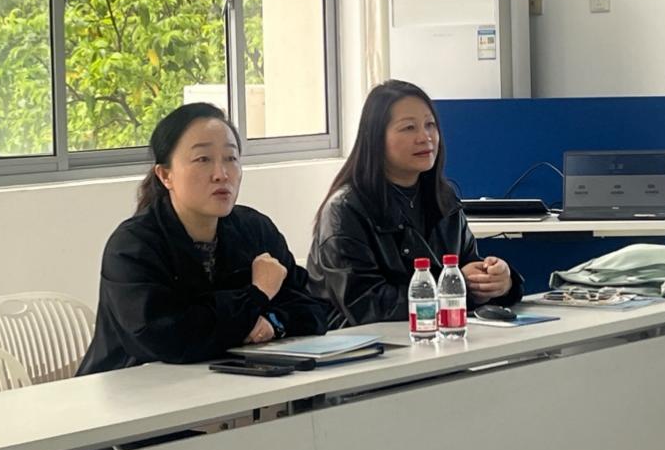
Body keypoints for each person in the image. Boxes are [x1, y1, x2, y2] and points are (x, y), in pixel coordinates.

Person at [78, 103, 327, 375]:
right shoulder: (132, 247)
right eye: (203, 159)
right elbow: (171, 339)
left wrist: (274, 323)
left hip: (230, 385)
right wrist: (257, 294)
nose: (221, 174)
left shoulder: (255, 230)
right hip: (132, 389)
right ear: (165, 175)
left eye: (231, 158)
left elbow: (313, 308)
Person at [307, 80, 523, 328]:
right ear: (376, 138)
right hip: (365, 343)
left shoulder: (444, 198)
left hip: (436, 335)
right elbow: (366, 304)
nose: (425, 137)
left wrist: (499, 282)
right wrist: (454, 286)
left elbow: (467, 267)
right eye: (409, 128)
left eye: (430, 125)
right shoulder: (345, 209)